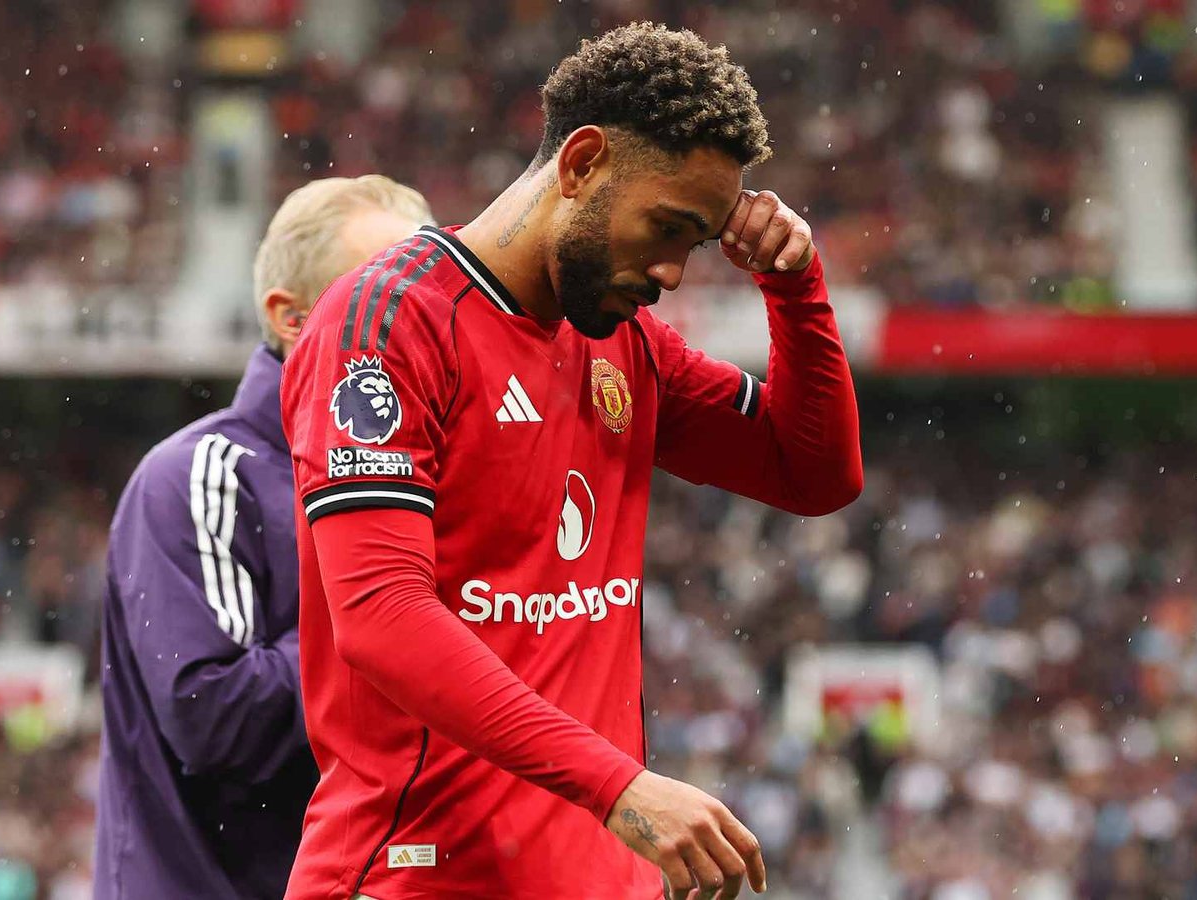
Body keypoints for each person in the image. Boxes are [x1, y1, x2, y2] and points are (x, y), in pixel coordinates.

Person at [281, 23, 864, 900]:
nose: (672, 272)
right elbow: (381, 614)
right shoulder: (388, 322)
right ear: (582, 162)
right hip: (423, 879)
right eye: (666, 227)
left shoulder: (628, 345)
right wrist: (619, 786)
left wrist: (795, 287)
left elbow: (813, 475)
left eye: (696, 244)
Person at [94, 176, 433, 899]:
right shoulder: (199, 475)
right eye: (381, 299)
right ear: (291, 318)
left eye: (428, 298)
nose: (420, 325)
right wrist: (388, 610)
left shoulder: (431, 477)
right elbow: (214, 720)